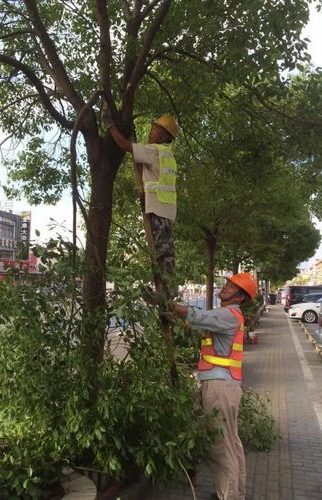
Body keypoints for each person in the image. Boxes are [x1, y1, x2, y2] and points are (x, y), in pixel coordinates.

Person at [168, 272, 258, 500]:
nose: (226, 287)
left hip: (220, 388)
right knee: (232, 445)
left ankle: (228, 496)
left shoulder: (228, 315)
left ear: (240, 297)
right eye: (228, 283)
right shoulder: (228, 316)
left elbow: (198, 316)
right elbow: (200, 326)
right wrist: (176, 319)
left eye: (231, 286)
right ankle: (235, 494)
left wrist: (166, 303)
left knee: (220, 447)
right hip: (224, 386)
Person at [102, 102, 179, 299]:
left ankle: (166, 295)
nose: (152, 132)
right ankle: (167, 293)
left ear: (165, 136)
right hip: (165, 210)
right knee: (166, 253)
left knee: (162, 254)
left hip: (159, 211)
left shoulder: (154, 151)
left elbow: (125, 145)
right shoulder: (167, 155)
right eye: (153, 128)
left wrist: (110, 124)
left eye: (156, 129)